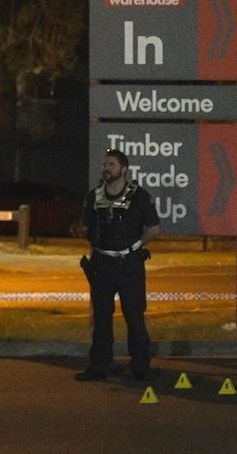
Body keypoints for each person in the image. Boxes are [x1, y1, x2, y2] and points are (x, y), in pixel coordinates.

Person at [75, 148, 160, 382]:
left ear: (123, 169)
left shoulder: (139, 196)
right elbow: (87, 228)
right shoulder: (93, 197)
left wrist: (135, 247)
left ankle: (140, 366)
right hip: (102, 263)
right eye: (105, 164)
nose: (106, 168)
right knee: (102, 317)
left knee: (134, 316)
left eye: (111, 164)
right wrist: (82, 231)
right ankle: (99, 367)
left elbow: (154, 229)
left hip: (129, 264)